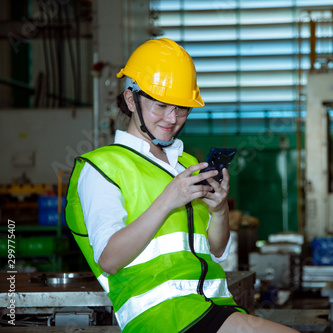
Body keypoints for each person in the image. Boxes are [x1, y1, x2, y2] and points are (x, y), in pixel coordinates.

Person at [66, 38, 299, 333]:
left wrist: (219, 211)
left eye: (182, 108)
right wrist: (167, 200)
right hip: (161, 317)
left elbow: (215, 251)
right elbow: (110, 260)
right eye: (161, 105)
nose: (172, 118)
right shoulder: (102, 168)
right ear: (130, 100)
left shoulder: (185, 163)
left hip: (212, 306)